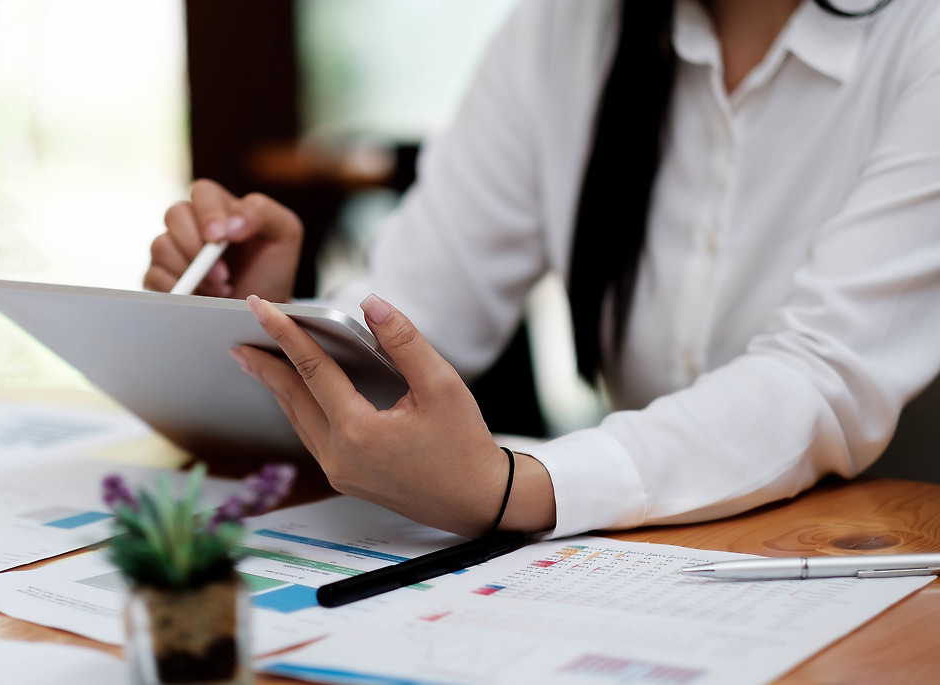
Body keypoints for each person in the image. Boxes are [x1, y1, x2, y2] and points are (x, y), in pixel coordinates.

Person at [144, 0, 940, 540]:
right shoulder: (565, 27)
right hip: (652, 558)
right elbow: (417, 303)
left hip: (882, 563)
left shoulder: (920, 37)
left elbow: (820, 375)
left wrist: (514, 487)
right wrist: (283, 325)